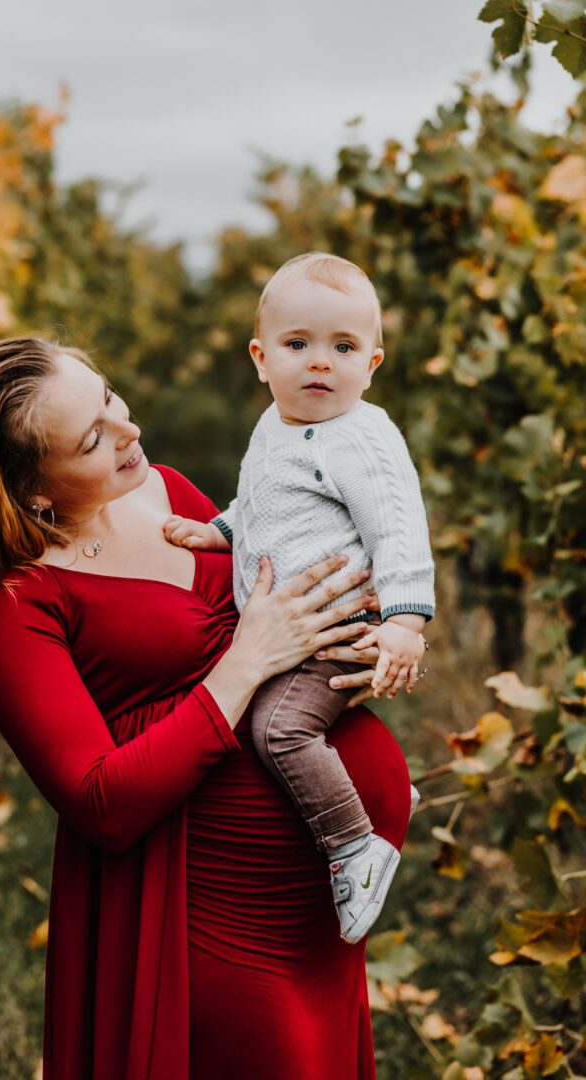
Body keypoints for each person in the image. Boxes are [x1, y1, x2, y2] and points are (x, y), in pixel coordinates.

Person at [0, 336, 419, 1080]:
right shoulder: (13, 603)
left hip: (315, 903)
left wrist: (370, 637)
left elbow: (277, 608)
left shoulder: (170, 491)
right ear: (31, 491)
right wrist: (247, 664)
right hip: (207, 912)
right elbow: (98, 801)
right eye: (91, 439)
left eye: (108, 396)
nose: (128, 430)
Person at [163, 252, 433, 945]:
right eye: (298, 345)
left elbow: (398, 527)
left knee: (279, 730)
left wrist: (404, 620)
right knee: (252, 704)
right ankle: (377, 789)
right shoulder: (276, 426)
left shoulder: (361, 438)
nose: (320, 363)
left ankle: (355, 849)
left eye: (343, 347)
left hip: (334, 627)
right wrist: (217, 532)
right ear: (261, 358)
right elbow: (266, 509)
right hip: (293, 630)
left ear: (373, 362)